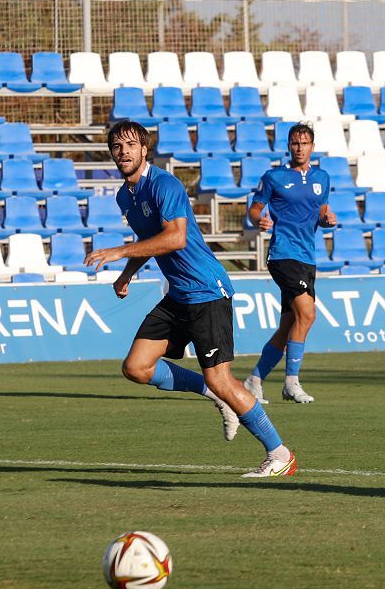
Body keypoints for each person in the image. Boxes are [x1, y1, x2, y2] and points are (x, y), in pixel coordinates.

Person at [85, 120, 296, 478]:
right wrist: (127, 274)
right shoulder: (126, 195)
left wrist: (119, 252)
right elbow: (149, 238)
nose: (123, 152)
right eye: (117, 146)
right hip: (179, 294)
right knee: (136, 367)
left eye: (131, 145)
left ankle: (280, 454)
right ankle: (213, 395)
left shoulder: (164, 184)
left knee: (223, 380)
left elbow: (176, 238)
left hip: (206, 290)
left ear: (144, 150)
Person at [243, 123, 337, 405]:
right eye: (295, 143)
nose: (300, 147)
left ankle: (254, 380)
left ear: (312, 146)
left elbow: (320, 211)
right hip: (283, 255)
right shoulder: (274, 177)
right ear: (288, 145)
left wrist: (326, 219)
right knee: (307, 315)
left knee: (289, 326)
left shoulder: (322, 177)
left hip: (308, 257)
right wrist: (257, 219)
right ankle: (291, 383)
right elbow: (255, 207)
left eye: (305, 143)